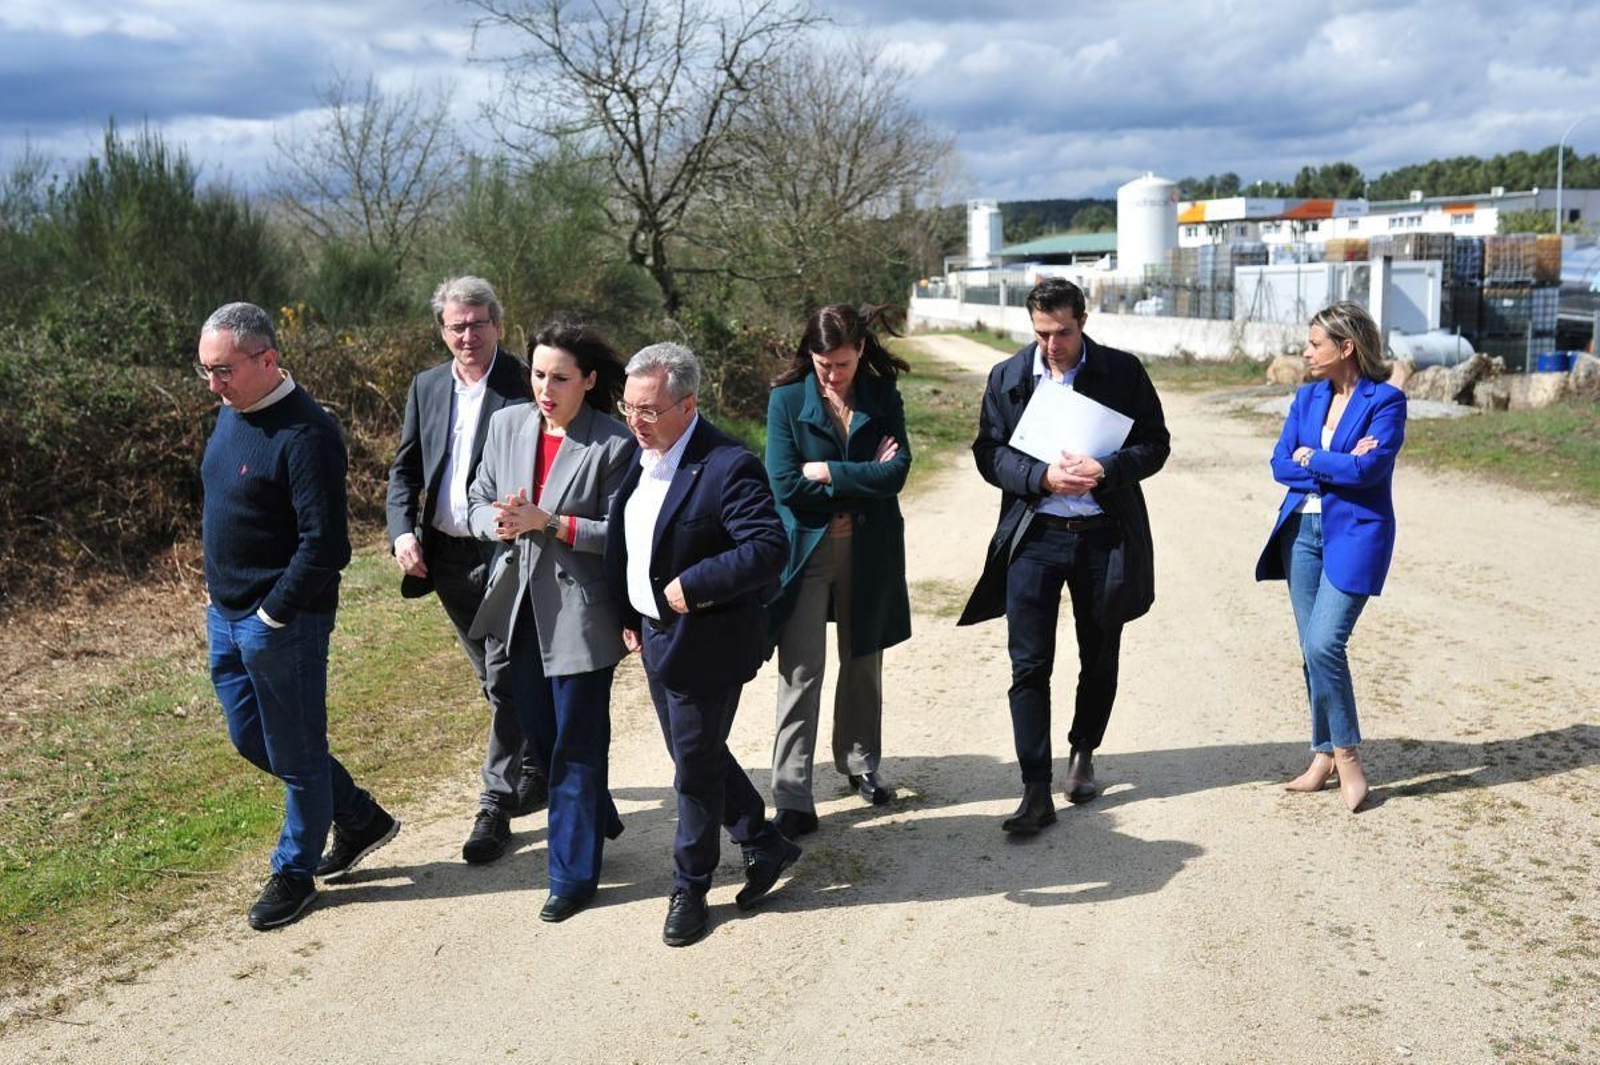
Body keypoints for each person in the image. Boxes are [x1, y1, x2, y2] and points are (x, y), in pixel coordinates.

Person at [197, 302, 398, 930]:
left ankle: (294, 871)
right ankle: (360, 816)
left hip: (283, 623)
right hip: (226, 615)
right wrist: (217, 596)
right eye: (204, 370)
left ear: (268, 360)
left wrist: (272, 616)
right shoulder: (233, 414)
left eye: (223, 370)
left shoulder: (306, 434)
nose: (213, 385)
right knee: (250, 737)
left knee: (298, 748)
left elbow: (326, 547)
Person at [958, 277, 1170, 835]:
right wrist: (1039, 477)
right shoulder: (1007, 377)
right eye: (1041, 333)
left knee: (1099, 653)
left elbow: (1156, 443)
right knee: (1029, 664)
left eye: (1063, 332)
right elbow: (988, 452)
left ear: (1083, 320)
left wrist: (1108, 470)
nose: (1051, 345)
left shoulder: (1123, 372)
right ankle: (1034, 789)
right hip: (1035, 537)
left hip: (1105, 536)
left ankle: (1082, 752)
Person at [604, 342, 799, 946]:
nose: (634, 421)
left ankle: (690, 885)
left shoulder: (727, 464)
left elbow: (768, 548)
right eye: (627, 408)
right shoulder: (641, 454)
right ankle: (763, 842)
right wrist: (628, 608)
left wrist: (694, 584)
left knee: (691, 768)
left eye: (648, 410)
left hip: (707, 639)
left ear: (687, 405)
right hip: (655, 634)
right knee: (699, 753)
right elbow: (630, 539)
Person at [466, 322, 636, 921]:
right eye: (538, 374)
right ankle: (595, 813)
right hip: (516, 608)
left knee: (577, 747)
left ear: (589, 381)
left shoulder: (613, 444)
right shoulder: (506, 424)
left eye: (560, 377)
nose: (546, 387)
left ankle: (572, 875)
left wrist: (551, 522)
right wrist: (499, 521)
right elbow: (476, 499)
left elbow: (622, 533)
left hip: (580, 616)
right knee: (542, 739)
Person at [386, 276, 545, 866]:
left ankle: (494, 805)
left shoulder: (527, 382)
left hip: (506, 552)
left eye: (479, 323)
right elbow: (405, 471)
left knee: (503, 677)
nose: (468, 335)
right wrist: (403, 531)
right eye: (457, 326)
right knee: (495, 679)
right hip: (447, 558)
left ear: (498, 326)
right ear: (442, 330)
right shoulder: (426, 386)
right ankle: (540, 761)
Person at [763, 304, 912, 838]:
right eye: (823, 363)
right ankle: (791, 792)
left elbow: (896, 472)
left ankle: (859, 764)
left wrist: (828, 471)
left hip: (869, 550)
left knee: (862, 660)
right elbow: (783, 484)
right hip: (805, 553)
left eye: (842, 363)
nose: (832, 374)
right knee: (800, 672)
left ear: (861, 353)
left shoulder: (881, 396)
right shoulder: (785, 400)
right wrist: (860, 478)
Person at [1255, 301, 1406, 812]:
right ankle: (1321, 756)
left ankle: (1347, 757)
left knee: (1324, 644)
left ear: (1346, 347)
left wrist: (1313, 458)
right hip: (1300, 531)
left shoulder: (1386, 401)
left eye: (1314, 343)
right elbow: (1280, 464)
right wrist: (1336, 462)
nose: (1305, 351)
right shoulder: (1305, 397)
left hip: (1357, 534)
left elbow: (1369, 473)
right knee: (1309, 649)